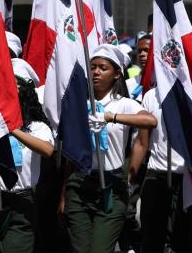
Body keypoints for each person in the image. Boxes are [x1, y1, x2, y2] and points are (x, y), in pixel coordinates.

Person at [64, 44, 156, 253]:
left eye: (103, 68)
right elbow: (72, 152)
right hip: (79, 183)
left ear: (116, 74)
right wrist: (64, 194)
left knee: (99, 249)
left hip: (111, 185)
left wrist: (110, 117)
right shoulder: (79, 103)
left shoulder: (123, 104)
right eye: (93, 67)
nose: (96, 72)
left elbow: (149, 121)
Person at [0, 57, 54, 252]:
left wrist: (12, 129)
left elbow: (47, 150)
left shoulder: (37, 126)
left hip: (20, 203)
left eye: (15, 85)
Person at [135, 71, 192, 252]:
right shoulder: (150, 96)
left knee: (184, 238)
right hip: (156, 174)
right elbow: (142, 142)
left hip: (186, 177)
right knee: (151, 238)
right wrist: (131, 177)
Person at [126, 33, 151, 101]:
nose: (142, 54)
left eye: (146, 50)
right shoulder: (128, 84)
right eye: (139, 51)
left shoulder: (163, 84)